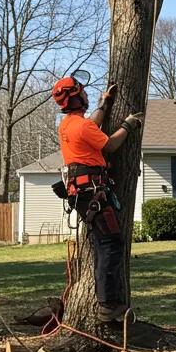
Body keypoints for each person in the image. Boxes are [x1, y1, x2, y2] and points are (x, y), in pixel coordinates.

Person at [52, 74, 143, 323]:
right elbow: (111, 145)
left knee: (105, 244)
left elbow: (91, 124)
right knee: (110, 245)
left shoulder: (69, 125)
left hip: (83, 193)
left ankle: (108, 301)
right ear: (76, 97)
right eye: (82, 91)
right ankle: (108, 305)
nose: (86, 93)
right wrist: (128, 125)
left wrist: (105, 103)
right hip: (93, 192)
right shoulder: (82, 127)